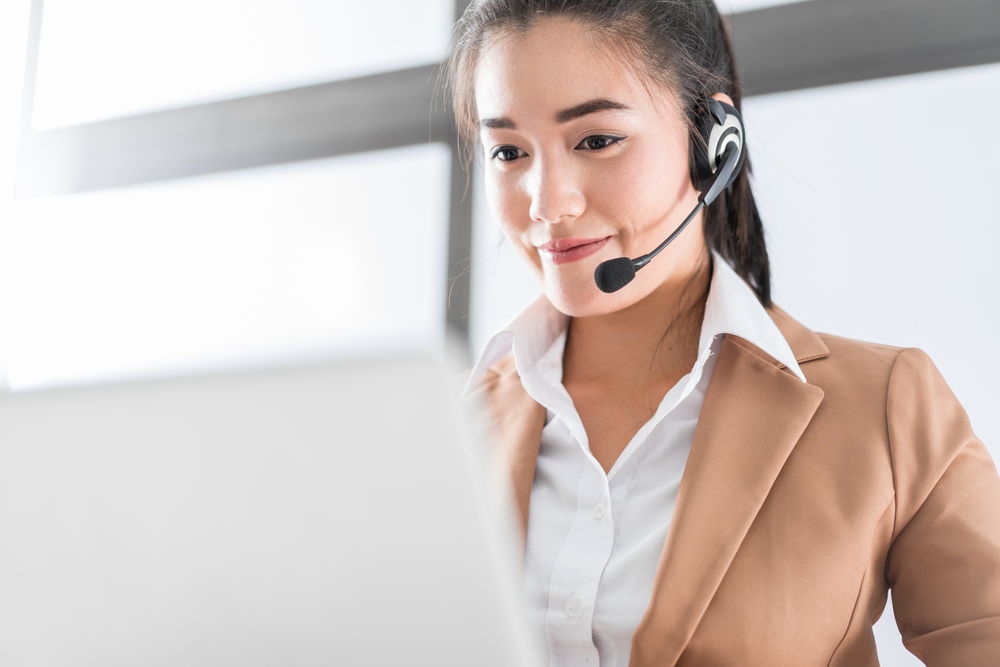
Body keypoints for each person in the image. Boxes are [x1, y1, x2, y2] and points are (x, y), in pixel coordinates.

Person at [447, 0, 1000, 665]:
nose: (545, 202)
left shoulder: (885, 408)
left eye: (595, 140)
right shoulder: (456, 427)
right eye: (509, 151)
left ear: (714, 142)